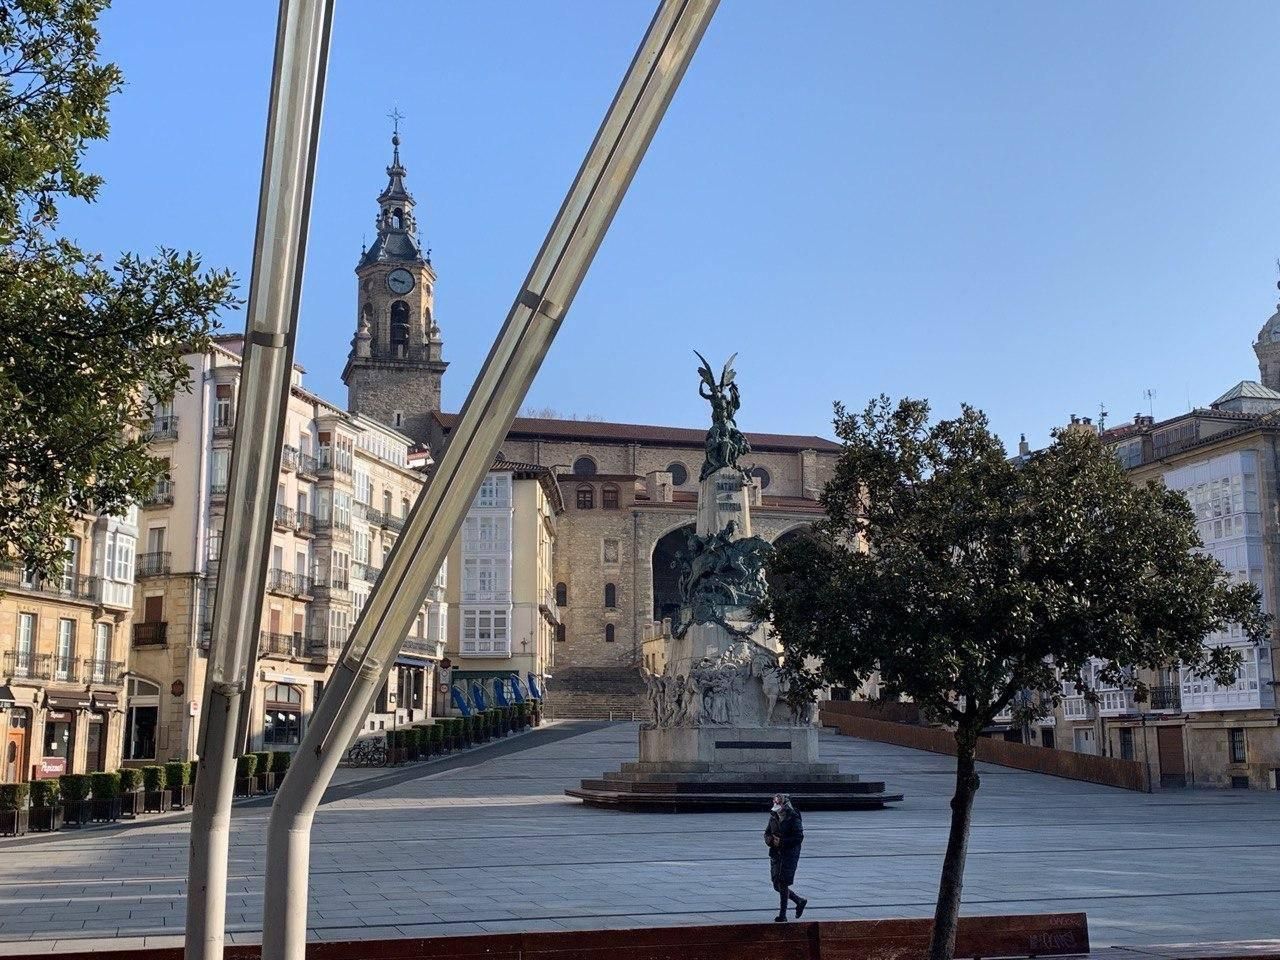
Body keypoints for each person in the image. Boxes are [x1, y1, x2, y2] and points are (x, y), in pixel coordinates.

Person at [764, 793, 807, 922]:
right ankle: (799, 901)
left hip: (789, 855)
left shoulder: (793, 818)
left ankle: (782, 915)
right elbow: (766, 833)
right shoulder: (773, 816)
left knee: (783, 883)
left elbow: (798, 837)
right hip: (776, 853)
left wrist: (782, 842)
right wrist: (771, 840)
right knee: (776, 884)